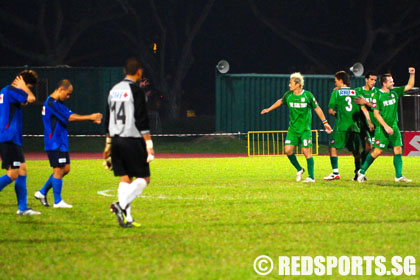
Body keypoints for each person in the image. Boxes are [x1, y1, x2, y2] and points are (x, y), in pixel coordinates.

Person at [34, 80, 102, 208]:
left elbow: (70, 114)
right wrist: (90, 117)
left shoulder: (58, 103)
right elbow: (69, 118)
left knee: (65, 169)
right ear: (60, 89)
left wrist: (90, 117)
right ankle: (58, 201)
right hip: (54, 142)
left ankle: (42, 192)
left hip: (60, 141)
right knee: (59, 169)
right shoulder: (51, 103)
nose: (68, 97)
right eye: (68, 94)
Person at [104, 57, 154, 227]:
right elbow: (141, 118)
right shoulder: (136, 91)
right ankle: (120, 205)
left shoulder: (113, 90)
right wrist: (149, 144)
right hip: (131, 139)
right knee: (144, 178)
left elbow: (108, 118)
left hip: (116, 140)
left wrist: (108, 144)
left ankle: (128, 219)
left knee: (125, 178)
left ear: (125, 71)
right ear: (139, 71)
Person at [261, 72, 332, 182]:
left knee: (306, 151)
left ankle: (311, 177)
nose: (289, 85)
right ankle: (300, 169)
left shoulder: (308, 95)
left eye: (291, 83)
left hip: (305, 130)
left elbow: (317, 108)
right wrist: (268, 109)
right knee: (288, 150)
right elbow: (280, 101)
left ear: (298, 84)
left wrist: (325, 122)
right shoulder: (288, 95)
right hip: (293, 129)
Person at [357, 67, 415, 183]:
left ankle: (398, 176)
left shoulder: (395, 92)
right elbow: (376, 114)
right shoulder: (377, 95)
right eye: (391, 81)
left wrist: (412, 74)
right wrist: (385, 126)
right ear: (384, 83)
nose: (393, 83)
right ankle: (361, 171)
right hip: (382, 129)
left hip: (394, 127)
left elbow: (409, 86)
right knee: (377, 152)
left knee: (398, 149)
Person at [0, 70, 41, 215]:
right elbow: (31, 99)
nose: (28, 89)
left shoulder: (5, 90)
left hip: (11, 138)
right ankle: (22, 208)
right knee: (12, 174)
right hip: (9, 138)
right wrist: (24, 87)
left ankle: (23, 208)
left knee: (22, 170)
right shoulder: (11, 90)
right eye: (29, 86)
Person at [324, 71, 373, 181]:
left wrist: (338, 114)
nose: (335, 83)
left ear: (341, 81)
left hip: (341, 126)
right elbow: (363, 108)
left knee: (332, 147)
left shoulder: (336, 93)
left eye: (336, 81)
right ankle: (358, 173)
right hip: (354, 127)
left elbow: (331, 111)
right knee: (355, 152)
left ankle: (335, 172)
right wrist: (369, 121)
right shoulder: (355, 93)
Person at [353, 72, 378, 179]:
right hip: (362, 125)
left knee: (368, 150)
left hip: (375, 125)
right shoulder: (359, 91)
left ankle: (360, 171)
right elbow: (363, 108)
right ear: (366, 79)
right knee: (365, 147)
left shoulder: (377, 92)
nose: (373, 82)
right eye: (372, 79)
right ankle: (359, 171)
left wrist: (367, 102)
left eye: (375, 80)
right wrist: (339, 89)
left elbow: (378, 106)